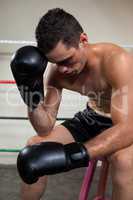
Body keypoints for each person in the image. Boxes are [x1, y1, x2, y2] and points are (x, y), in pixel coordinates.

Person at [11, 8, 133, 200]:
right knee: (34, 148)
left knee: (124, 161)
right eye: (55, 62)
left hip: (125, 122)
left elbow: (127, 128)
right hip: (92, 116)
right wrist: (31, 95)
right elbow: (44, 127)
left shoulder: (116, 61)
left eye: (67, 60)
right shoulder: (57, 71)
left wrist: (75, 154)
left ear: (83, 40)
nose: (63, 69)